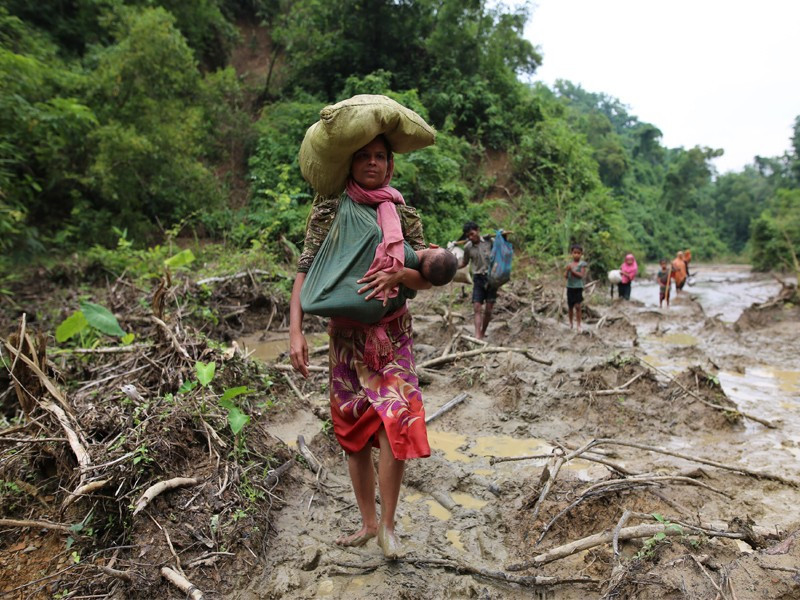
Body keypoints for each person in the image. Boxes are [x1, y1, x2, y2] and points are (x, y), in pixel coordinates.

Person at [289, 135, 435, 559]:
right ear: (350, 163)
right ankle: (368, 522)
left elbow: (425, 276)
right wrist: (296, 330)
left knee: (397, 421)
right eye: (363, 156)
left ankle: (388, 526)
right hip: (345, 337)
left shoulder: (404, 213)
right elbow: (305, 271)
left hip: (392, 335)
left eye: (380, 157)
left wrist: (399, 276)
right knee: (353, 431)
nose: (372, 163)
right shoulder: (329, 210)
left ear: (390, 164)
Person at [458, 222, 495, 340]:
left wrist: (502, 238)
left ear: (478, 230)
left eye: (472, 234)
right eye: (468, 236)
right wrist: (451, 267)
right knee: (477, 307)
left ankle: (483, 332)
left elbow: (499, 255)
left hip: (491, 278)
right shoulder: (468, 247)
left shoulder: (490, 242)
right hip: (478, 278)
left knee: (489, 309)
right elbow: (464, 262)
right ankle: (477, 335)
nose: (470, 237)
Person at [565, 244, 588, 332]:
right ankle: (570, 323)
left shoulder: (582, 264)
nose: (576, 255)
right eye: (575, 253)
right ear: (571, 253)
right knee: (570, 306)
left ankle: (578, 324)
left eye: (578, 253)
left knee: (578, 306)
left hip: (578, 287)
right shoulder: (569, 264)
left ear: (581, 254)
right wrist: (567, 271)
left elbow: (581, 275)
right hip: (570, 287)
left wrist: (572, 271)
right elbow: (566, 277)